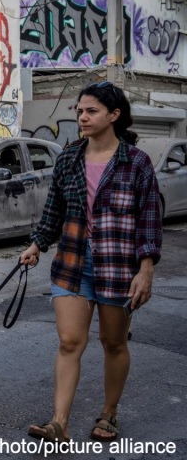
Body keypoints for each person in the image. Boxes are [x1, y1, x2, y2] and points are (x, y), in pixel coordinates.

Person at [20, 81, 161, 443]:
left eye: (91, 110)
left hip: (119, 269)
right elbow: (54, 211)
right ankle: (59, 422)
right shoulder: (68, 158)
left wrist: (145, 271)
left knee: (113, 342)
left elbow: (148, 220)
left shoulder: (136, 162)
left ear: (114, 115)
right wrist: (37, 244)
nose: (83, 116)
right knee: (69, 341)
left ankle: (108, 414)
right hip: (72, 263)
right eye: (79, 110)